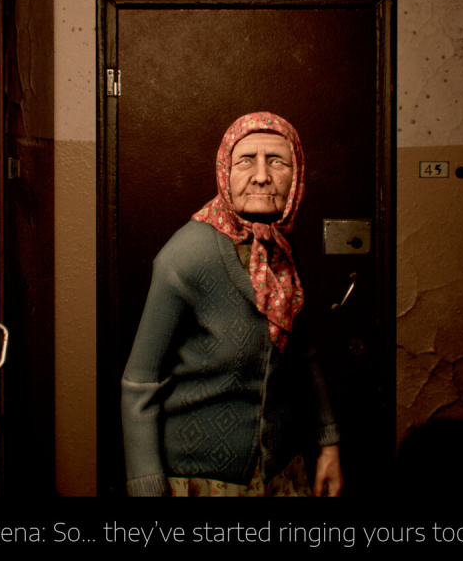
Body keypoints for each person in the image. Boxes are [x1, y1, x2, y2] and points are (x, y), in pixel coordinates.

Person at [120, 111, 343, 497]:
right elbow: (140, 383)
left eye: (278, 161)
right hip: (200, 478)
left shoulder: (280, 249)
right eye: (246, 161)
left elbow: (304, 353)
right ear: (225, 170)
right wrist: (146, 486)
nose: (262, 176)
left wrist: (328, 445)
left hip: (281, 470)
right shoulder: (185, 256)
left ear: (297, 175)